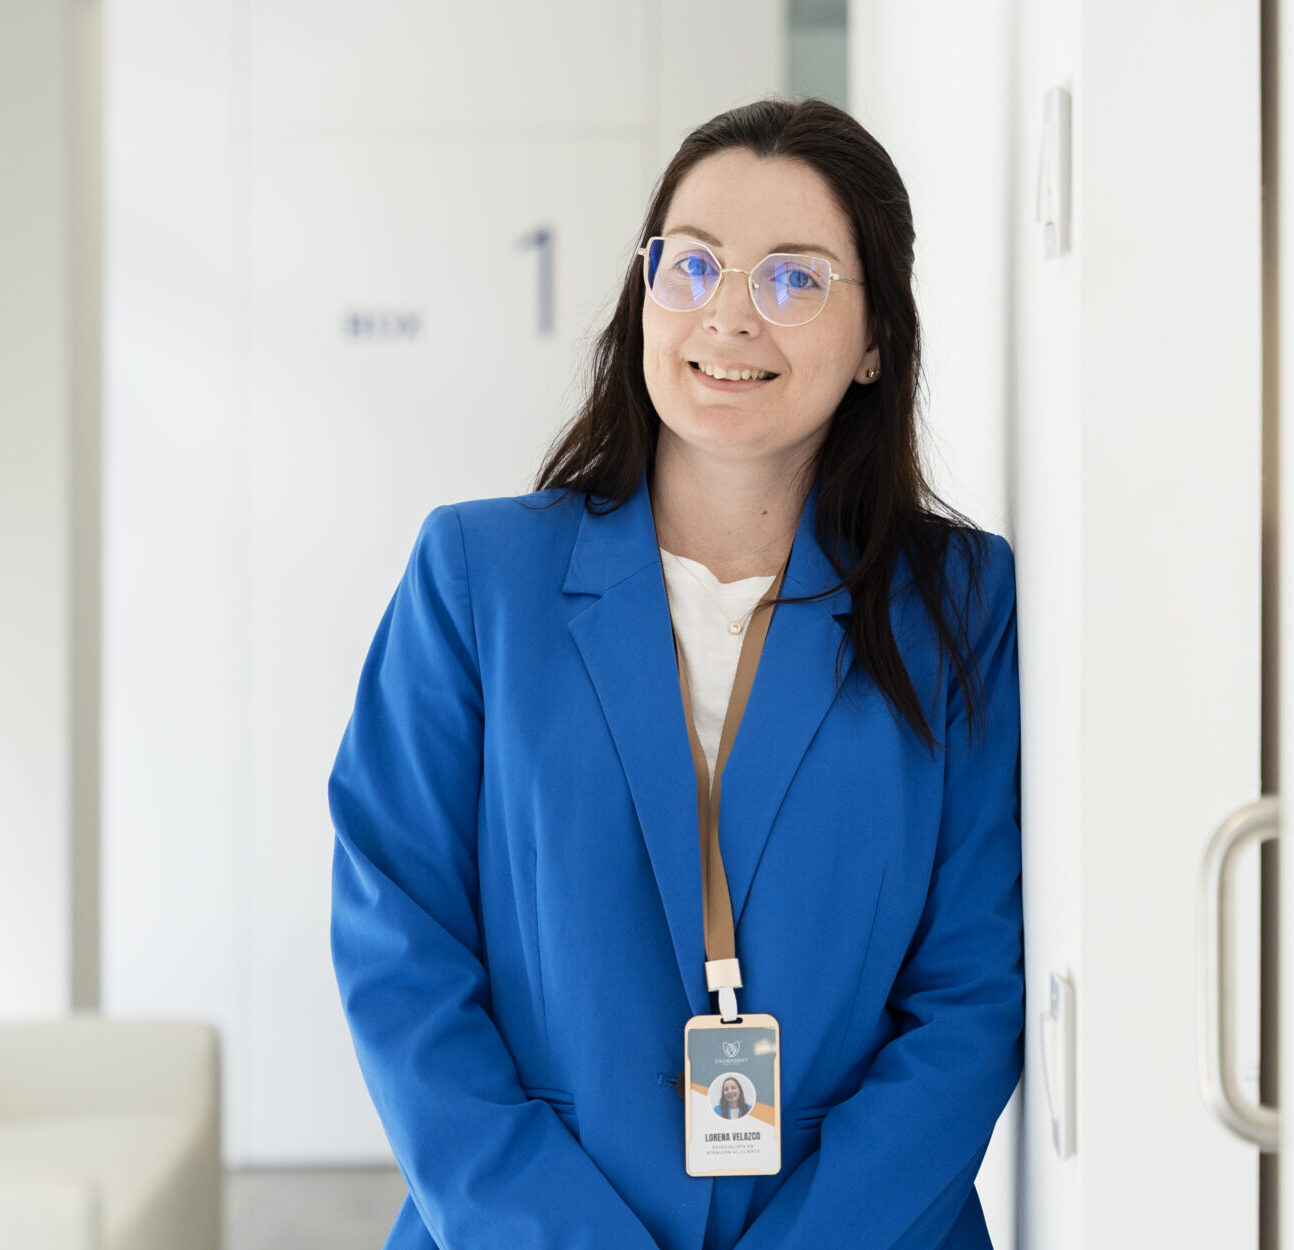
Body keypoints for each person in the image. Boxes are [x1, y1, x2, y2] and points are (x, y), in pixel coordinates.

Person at [329, 96, 1024, 1250]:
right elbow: (399, 949)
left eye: (793, 278)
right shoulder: (478, 576)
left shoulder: (958, 602)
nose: (728, 315)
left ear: (874, 343)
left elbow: (969, 991)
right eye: (691, 265)